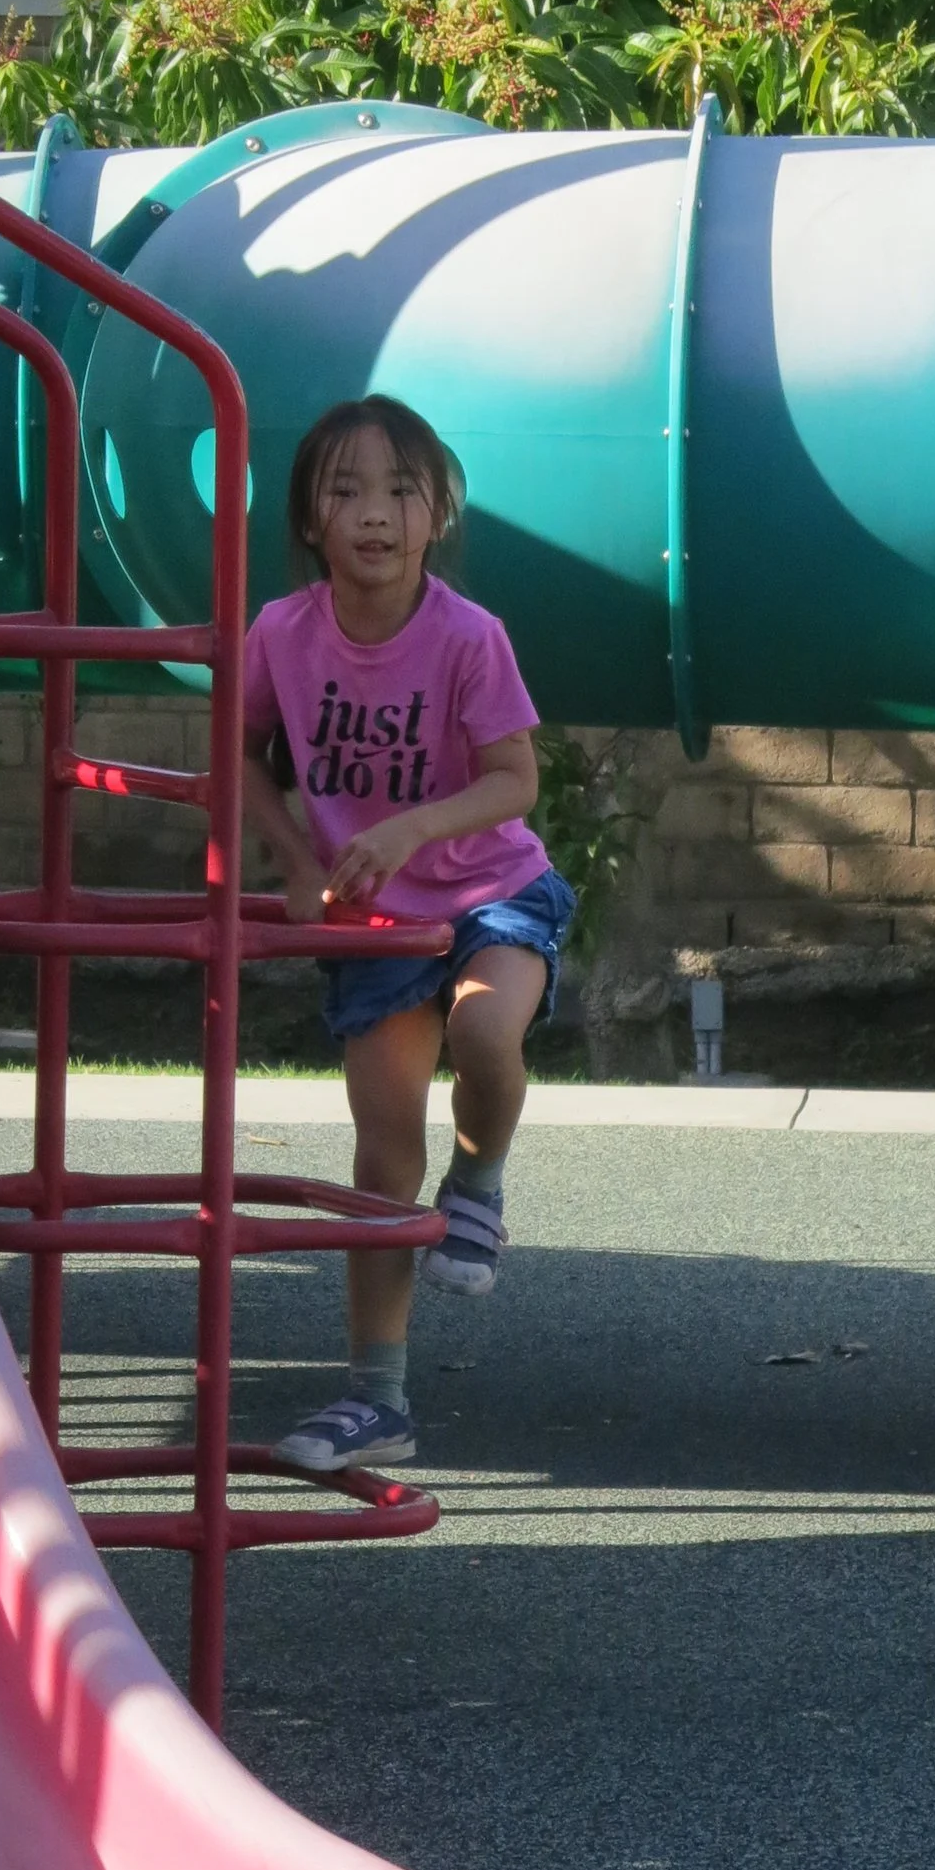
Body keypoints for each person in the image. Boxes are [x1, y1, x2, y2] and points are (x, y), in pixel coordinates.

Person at [241, 395, 576, 1475]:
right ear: (309, 521)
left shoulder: (468, 638)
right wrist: (295, 858)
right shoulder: (282, 635)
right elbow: (233, 756)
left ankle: (479, 1187)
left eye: (400, 493)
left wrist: (408, 827)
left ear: (436, 515)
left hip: (491, 890)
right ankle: (375, 1398)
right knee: (381, 1159)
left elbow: (514, 779)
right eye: (345, 492)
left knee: (486, 1038)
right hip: (377, 918)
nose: (373, 515)